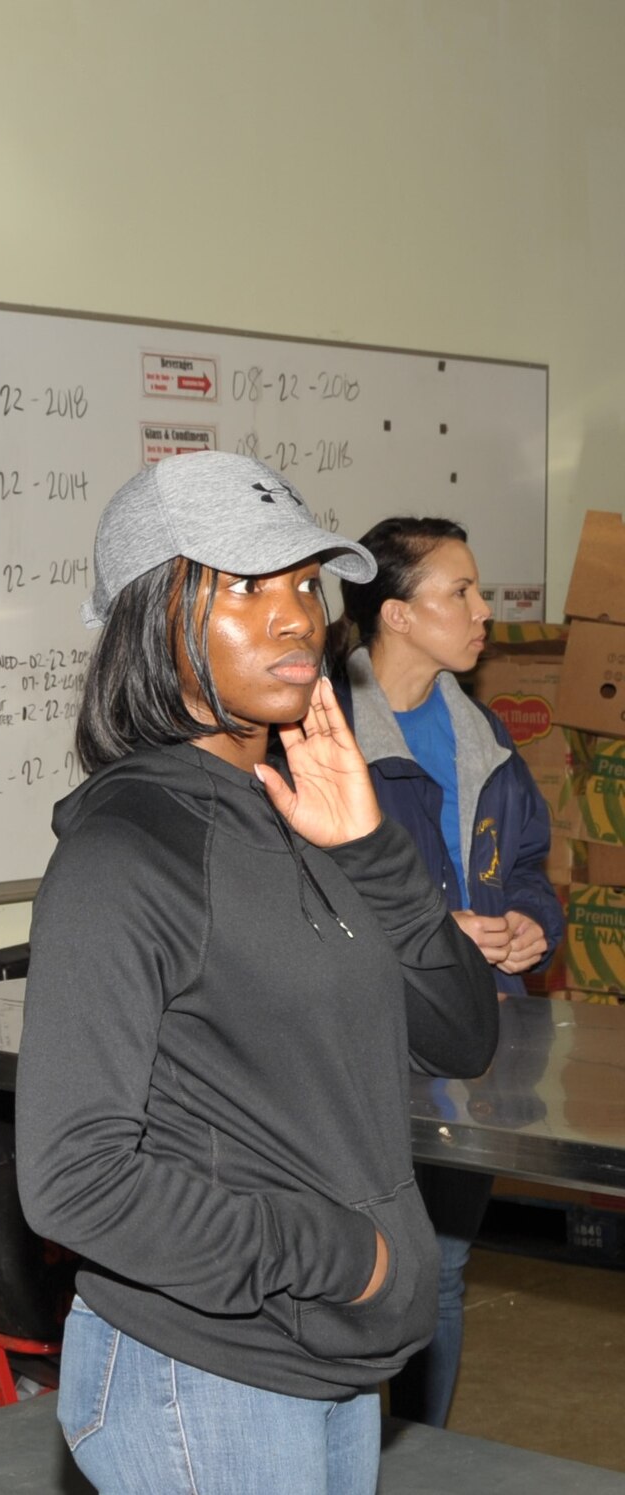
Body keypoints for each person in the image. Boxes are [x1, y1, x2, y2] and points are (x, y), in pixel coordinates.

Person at [16, 452, 500, 1494]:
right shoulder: (124, 855)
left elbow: (462, 1033)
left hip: (328, 1356)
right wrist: (341, 1254)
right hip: (203, 1370)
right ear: (154, 617)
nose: (294, 618)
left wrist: (371, 849)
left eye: (300, 585)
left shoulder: (299, 817)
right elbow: (72, 1180)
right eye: (243, 586)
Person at [331, 517, 562, 1428]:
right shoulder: (322, 735)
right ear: (395, 613)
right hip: (366, 1038)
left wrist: (529, 927)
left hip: (481, 1035)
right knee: (366, 1262)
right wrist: (433, 931)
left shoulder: (483, 735)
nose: (483, 612)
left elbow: (533, 865)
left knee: (451, 1266)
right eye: (459, 593)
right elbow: (297, 894)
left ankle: (421, 1454)